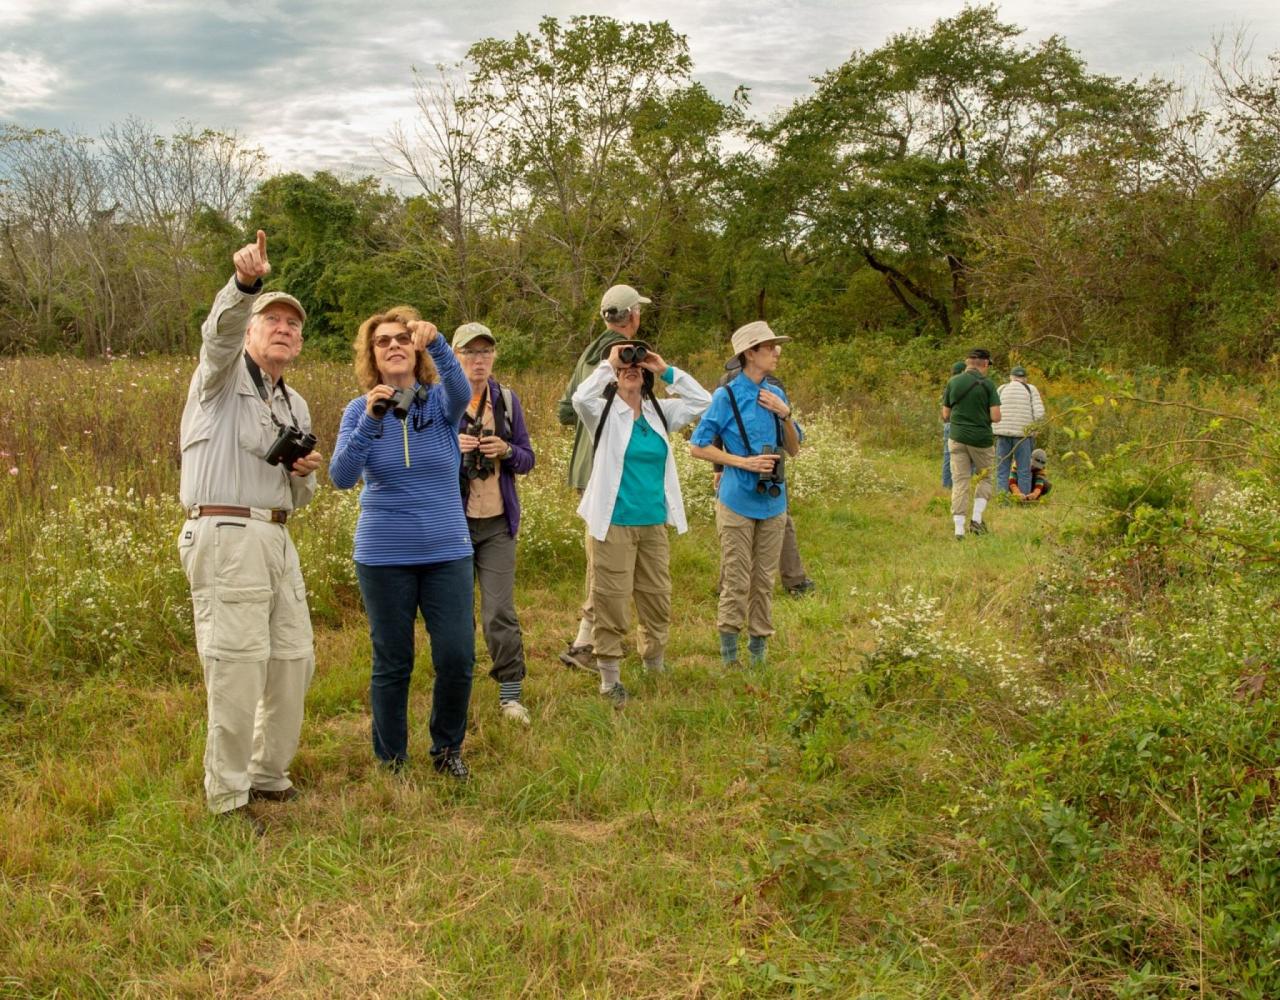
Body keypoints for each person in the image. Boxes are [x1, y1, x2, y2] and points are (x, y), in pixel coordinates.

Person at [178, 229, 322, 825]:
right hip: (226, 533)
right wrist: (244, 286)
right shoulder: (221, 378)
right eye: (274, 320)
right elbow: (220, 334)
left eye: (294, 324)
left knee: (293, 658)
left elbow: (301, 494)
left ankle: (268, 773)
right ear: (254, 329)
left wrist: (305, 471)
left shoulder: (297, 404)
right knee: (236, 664)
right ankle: (228, 794)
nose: (284, 329)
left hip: (277, 535)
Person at [329, 306, 475, 779]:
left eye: (401, 338)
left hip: (447, 550)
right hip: (384, 555)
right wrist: (373, 419)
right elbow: (341, 477)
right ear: (371, 356)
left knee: (456, 655)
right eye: (382, 341)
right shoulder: (358, 410)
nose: (393, 345)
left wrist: (437, 341)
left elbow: (463, 389)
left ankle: (447, 748)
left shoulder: (440, 405)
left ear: (415, 349)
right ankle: (391, 759)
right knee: (394, 659)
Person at [572, 339, 711, 704]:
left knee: (656, 598)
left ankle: (654, 666)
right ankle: (609, 679)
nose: (631, 369)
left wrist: (664, 369)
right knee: (611, 601)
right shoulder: (602, 410)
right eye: (625, 367)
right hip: (613, 523)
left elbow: (703, 402)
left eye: (636, 364)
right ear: (615, 376)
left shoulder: (659, 411)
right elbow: (578, 399)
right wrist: (610, 361)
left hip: (653, 523)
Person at [690, 321, 802, 667]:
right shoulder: (726, 396)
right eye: (769, 347)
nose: (776, 352)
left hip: (773, 501)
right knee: (737, 579)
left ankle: (758, 655)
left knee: (764, 580)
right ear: (750, 354)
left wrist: (786, 415)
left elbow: (795, 449)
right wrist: (742, 462)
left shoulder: (777, 394)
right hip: (737, 499)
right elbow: (697, 446)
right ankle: (729, 657)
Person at [556, 284, 649, 673]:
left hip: (583, 466)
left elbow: (566, 410)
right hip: (608, 469)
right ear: (633, 317)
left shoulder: (588, 354)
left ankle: (588, 638)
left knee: (601, 557)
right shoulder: (626, 356)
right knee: (606, 561)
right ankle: (585, 644)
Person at [452, 322, 536, 725]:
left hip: (498, 523)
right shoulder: (440, 403)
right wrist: (455, 449)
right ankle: (457, 692)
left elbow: (528, 458)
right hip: (453, 524)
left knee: (499, 611)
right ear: (454, 356)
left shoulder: (506, 401)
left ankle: (510, 695)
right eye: (470, 352)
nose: (479, 360)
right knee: (456, 615)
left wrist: (505, 450)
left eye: (485, 352)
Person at [713, 357, 814, 597]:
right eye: (770, 349)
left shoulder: (768, 386)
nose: (776, 355)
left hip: (769, 464)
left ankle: (790, 580)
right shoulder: (730, 387)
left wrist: (718, 467)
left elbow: (789, 437)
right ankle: (793, 581)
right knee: (741, 527)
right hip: (754, 467)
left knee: (754, 526)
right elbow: (717, 428)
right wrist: (719, 467)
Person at [942, 347, 1002, 540]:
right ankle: (976, 520)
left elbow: (946, 415)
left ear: (967, 362)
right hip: (981, 440)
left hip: (957, 438)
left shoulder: (953, 382)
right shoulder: (988, 385)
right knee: (985, 478)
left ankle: (958, 530)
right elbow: (996, 416)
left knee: (960, 481)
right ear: (984, 364)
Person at [993, 364, 1046, 497]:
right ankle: (1024, 500)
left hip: (1002, 434)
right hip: (1023, 435)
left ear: (1011, 377)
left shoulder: (1001, 389)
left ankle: (1002, 499)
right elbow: (1040, 414)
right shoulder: (1030, 389)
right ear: (1025, 378)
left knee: (1002, 468)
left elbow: (993, 410)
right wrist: (1035, 429)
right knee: (1024, 470)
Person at [941, 360, 965, 489]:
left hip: (948, 423)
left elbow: (945, 411)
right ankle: (960, 484)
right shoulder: (961, 384)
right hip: (958, 424)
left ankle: (946, 485)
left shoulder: (949, 385)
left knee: (947, 455)